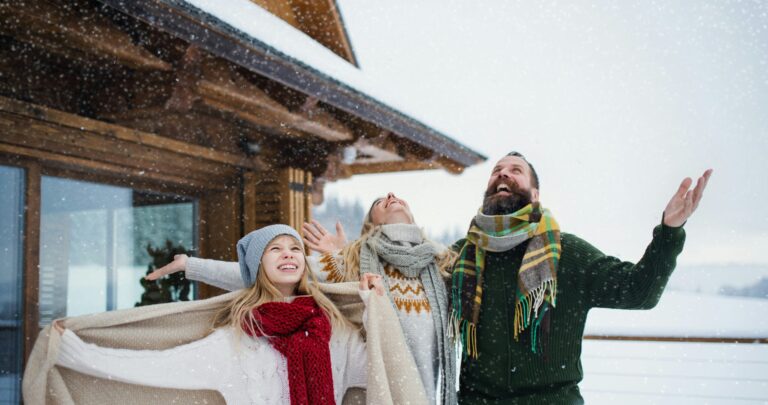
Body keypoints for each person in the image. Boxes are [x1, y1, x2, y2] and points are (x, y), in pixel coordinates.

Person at [453, 151, 712, 404]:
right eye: (496, 170)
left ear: (535, 195)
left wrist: (670, 232)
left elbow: (639, 291)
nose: (503, 173)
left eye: (515, 170)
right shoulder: (461, 257)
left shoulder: (568, 254)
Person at [148, 194, 458, 405]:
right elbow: (265, 272)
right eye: (380, 200)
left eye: (396, 196)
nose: (391, 195)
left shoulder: (442, 262)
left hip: (430, 388)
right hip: (380, 387)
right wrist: (192, 265)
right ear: (370, 222)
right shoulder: (350, 260)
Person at [52, 224, 385, 405]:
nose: (289, 254)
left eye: (295, 248)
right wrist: (76, 351)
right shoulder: (237, 338)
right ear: (257, 265)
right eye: (276, 249)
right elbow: (162, 365)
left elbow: (382, 369)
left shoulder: (331, 329)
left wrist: (374, 308)